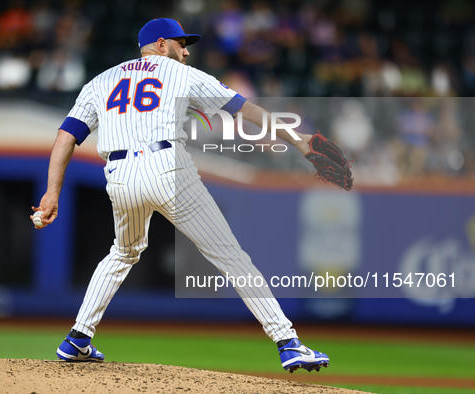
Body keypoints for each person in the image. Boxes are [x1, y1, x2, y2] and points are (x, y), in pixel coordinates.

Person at [32, 18, 330, 373]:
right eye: (180, 43)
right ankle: (288, 343)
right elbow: (246, 110)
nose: (186, 51)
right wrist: (301, 142)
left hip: (120, 175)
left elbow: (66, 137)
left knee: (123, 252)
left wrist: (52, 193)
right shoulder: (181, 74)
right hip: (168, 168)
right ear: (161, 44)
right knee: (231, 256)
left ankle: (77, 339)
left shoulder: (100, 81)